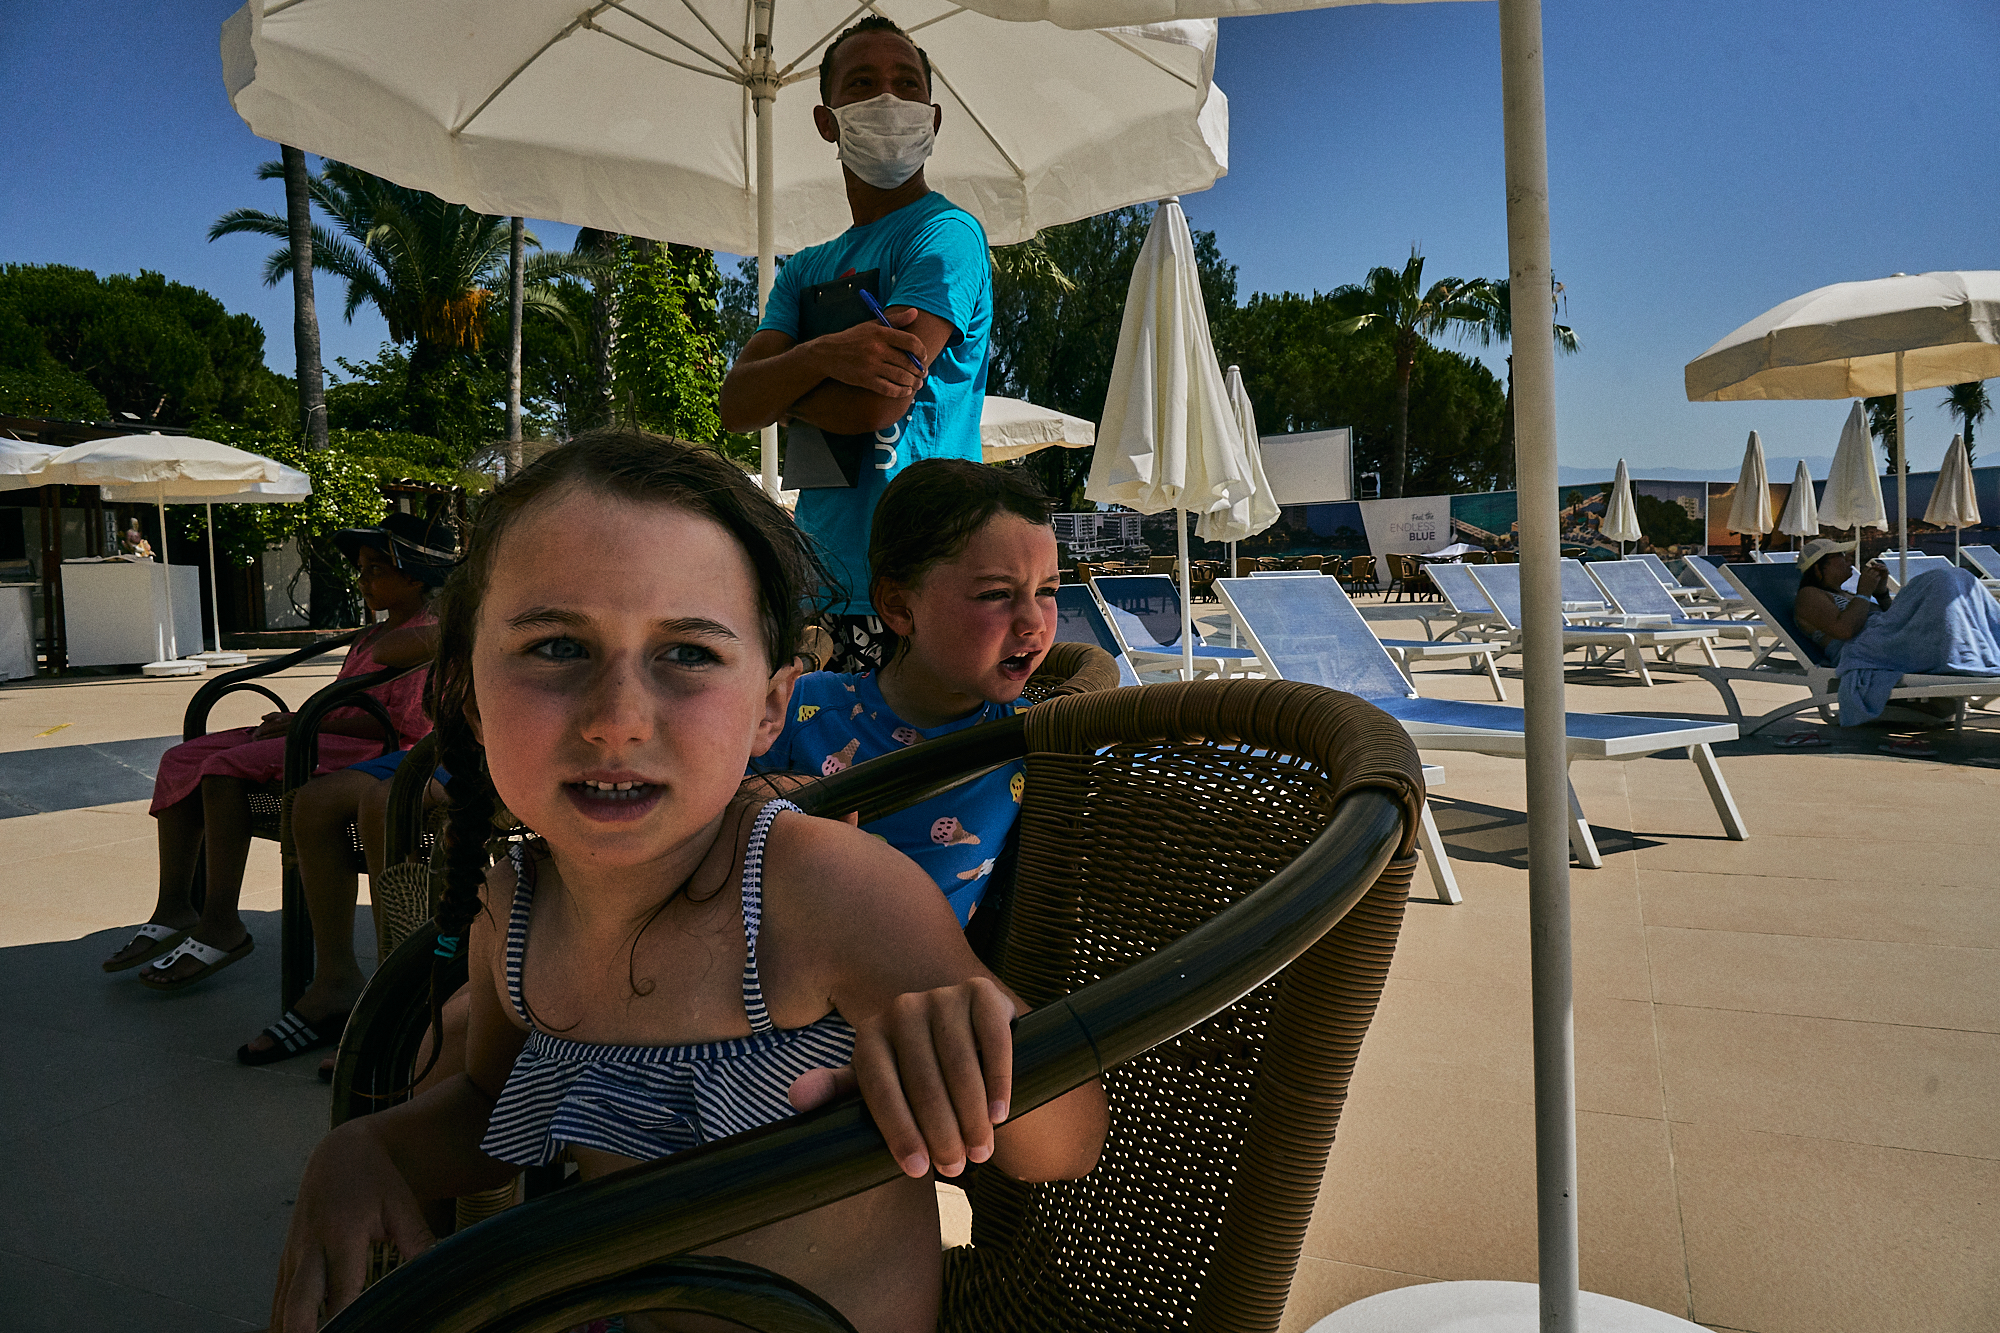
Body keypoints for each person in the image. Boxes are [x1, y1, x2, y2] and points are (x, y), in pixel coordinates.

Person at [265, 429, 1106, 1333]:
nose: (618, 719)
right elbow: (482, 1106)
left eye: (690, 653)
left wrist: (986, 1048)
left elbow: (1067, 1145)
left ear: (771, 706)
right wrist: (364, 1149)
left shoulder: (814, 891)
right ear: (467, 693)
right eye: (556, 647)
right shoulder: (516, 910)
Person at [720, 14, 993, 674]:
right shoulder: (808, 265)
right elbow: (734, 403)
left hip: (925, 578)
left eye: (906, 84)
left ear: (932, 116)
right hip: (820, 578)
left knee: (913, 774)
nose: (889, 102)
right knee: (822, 770)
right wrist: (823, 357)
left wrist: (783, 389)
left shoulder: (948, 235)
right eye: (863, 85)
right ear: (826, 119)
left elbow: (879, 403)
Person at [102, 514, 449, 988]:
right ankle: (176, 904)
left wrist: (307, 720)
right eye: (362, 569)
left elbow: (407, 723)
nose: (362, 580)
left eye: (375, 570)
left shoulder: (427, 632)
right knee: (180, 758)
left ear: (414, 575)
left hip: (376, 748)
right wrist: (303, 721)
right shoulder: (374, 633)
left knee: (226, 767)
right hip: (329, 732)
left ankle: (221, 920)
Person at [751, 459, 1058, 925]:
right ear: (899, 606)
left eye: (1048, 589)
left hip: (931, 987)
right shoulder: (800, 711)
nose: (1034, 621)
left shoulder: (1035, 740)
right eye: (996, 594)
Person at [1793, 537, 2000, 725]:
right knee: (1941, 580)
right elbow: (1845, 631)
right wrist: (1864, 592)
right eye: (1839, 555)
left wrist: (1881, 592)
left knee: (1961, 577)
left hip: (1883, 641)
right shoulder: (1809, 595)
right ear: (1819, 568)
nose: (1848, 559)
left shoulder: (1845, 594)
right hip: (1861, 650)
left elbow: (1891, 619)